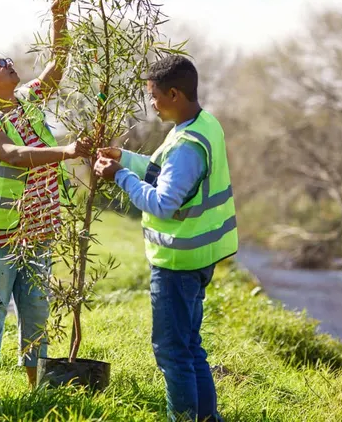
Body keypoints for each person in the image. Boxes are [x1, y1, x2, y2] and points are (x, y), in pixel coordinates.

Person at [0, 0, 92, 388]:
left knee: (35, 312)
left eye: (9, 60)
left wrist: (59, 16)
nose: (10, 65)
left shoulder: (27, 100)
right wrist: (66, 152)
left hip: (35, 231)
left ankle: (36, 390)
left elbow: (56, 67)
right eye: (0, 64)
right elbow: (11, 154)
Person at [93, 55, 237, 422]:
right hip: (199, 255)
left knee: (173, 353)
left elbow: (163, 202)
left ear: (174, 93)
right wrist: (124, 158)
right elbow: (163, 171)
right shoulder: (203, 124)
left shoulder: (187, 144)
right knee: (190, 347)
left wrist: (119, 177)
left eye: (154, 96)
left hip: (178, 262)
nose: (151, 103)